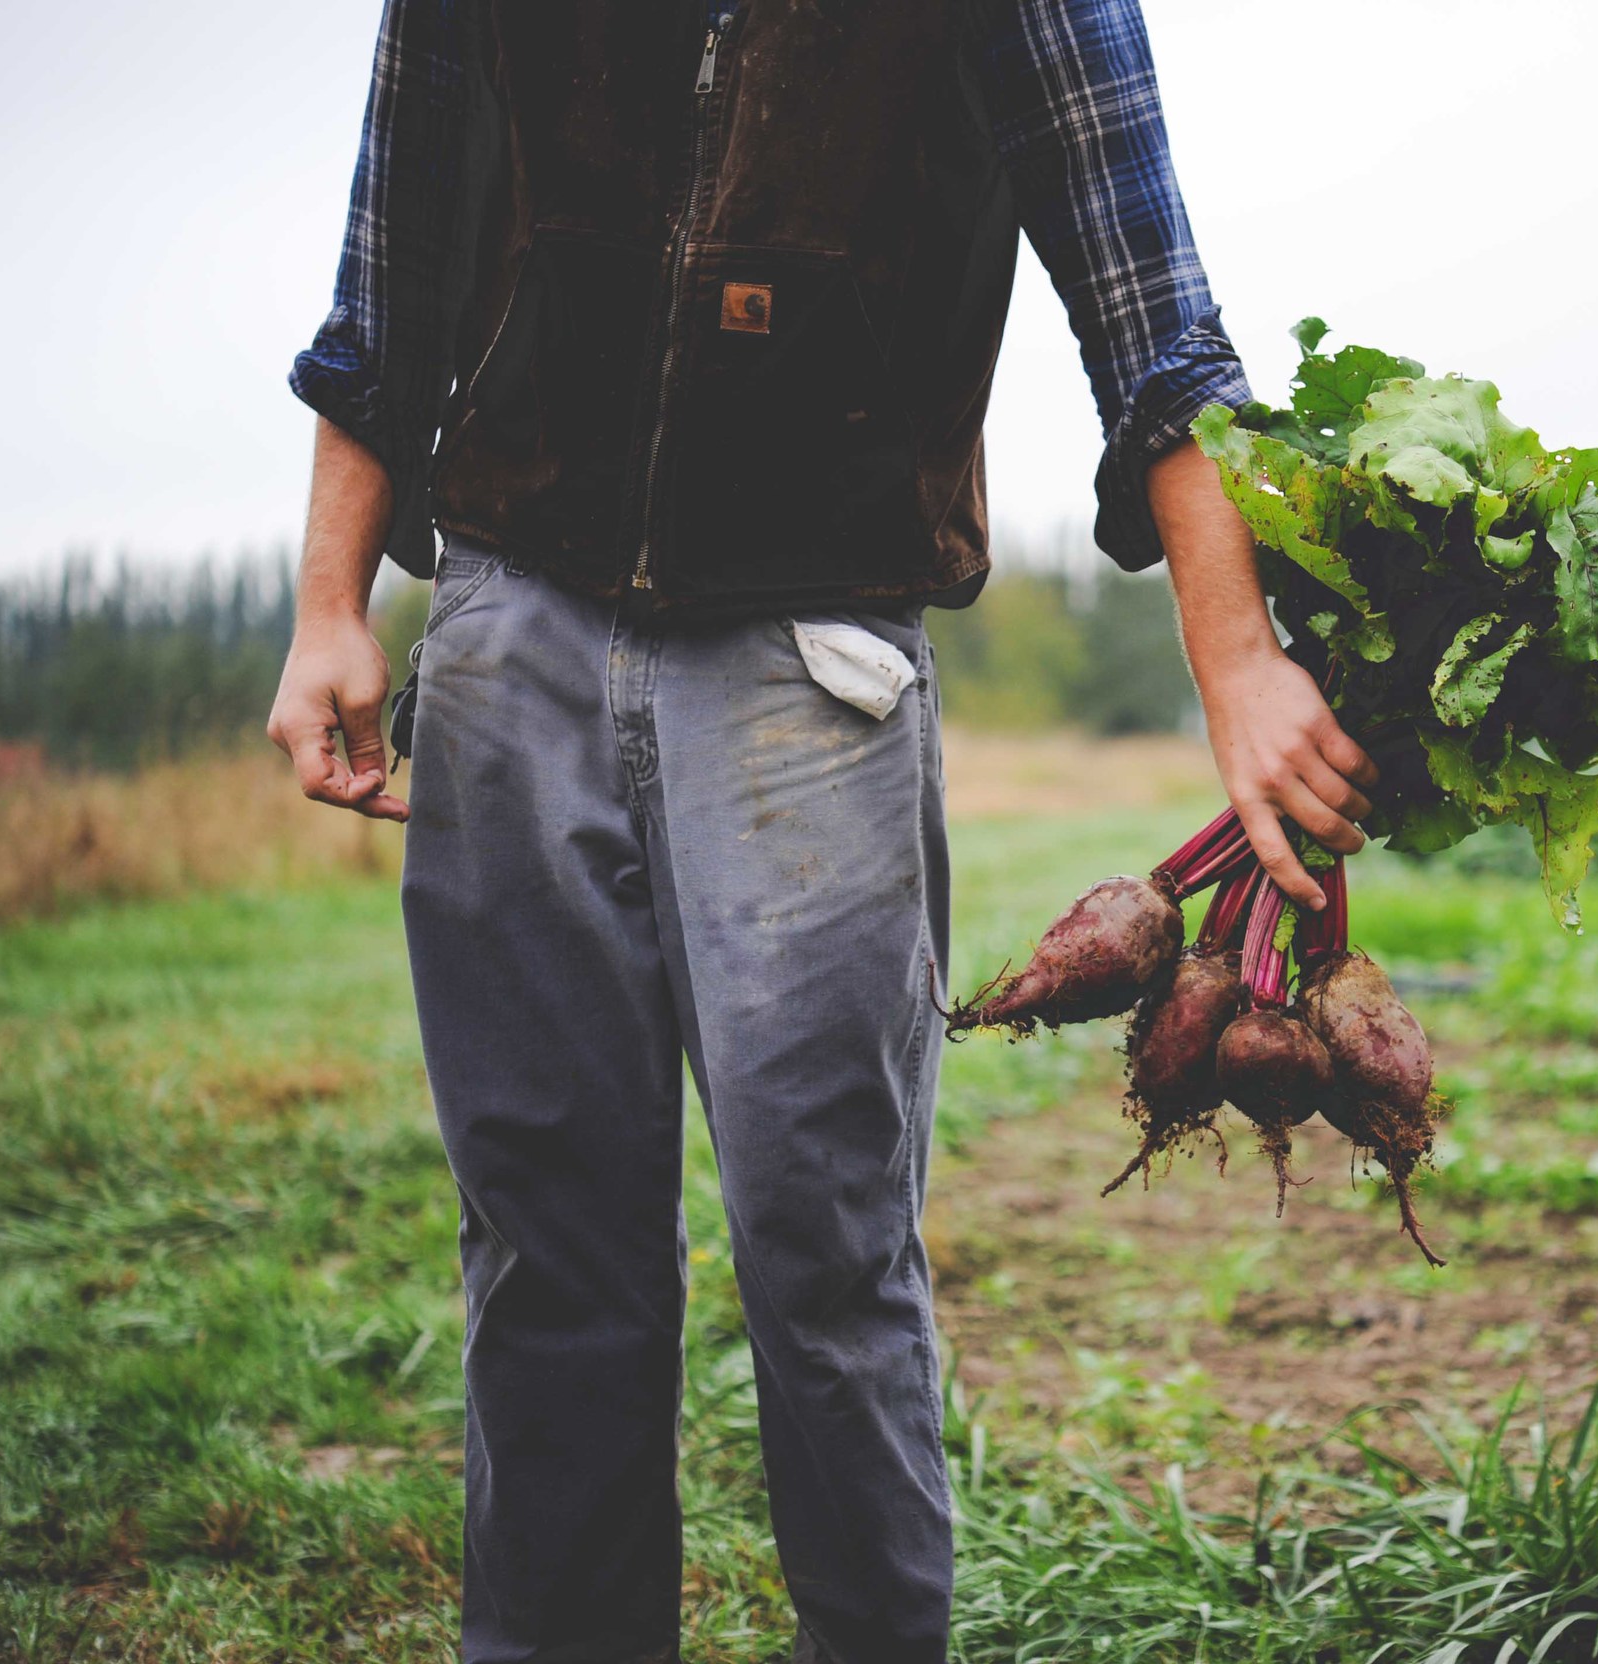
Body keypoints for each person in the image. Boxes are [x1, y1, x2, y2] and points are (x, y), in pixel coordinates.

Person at [266, 2, 1376, 1660]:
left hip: (817, 668)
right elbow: (392, 261)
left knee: (828, 1267)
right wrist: (331, 603)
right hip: (510, 630)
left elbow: (1154, 316)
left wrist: (1237, 660)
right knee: (548, 1257)